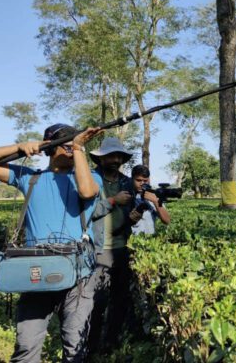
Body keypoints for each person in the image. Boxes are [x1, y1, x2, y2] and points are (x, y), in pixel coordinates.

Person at [0, 123, 102, 363]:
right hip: (36, 273)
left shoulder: (91, 177)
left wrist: (79, 149)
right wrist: (20, 147)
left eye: (75, 146)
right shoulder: (30, 178)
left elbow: (86, 192)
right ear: (50, 148)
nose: (72, 150)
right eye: (66, 146)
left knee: (75, 347)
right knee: (26, 346)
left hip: (79, 275)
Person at [87, 137, 135, 354]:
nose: (115, 160)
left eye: (118, 156)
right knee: (97, 300)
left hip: (121, 247)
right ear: (101, 158)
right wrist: (113, 201)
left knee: (119, 298)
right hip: (98, 248)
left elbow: (127, 215)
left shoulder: (127, 182)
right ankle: (90, 344)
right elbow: (87, 213)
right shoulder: (90, 180)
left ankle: (110, 344)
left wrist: (132, 218)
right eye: (110, 156)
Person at [129, 164, 171, 234]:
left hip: (150, 241)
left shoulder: (153, 195)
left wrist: (156, 201)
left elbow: (167, 221)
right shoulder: (126, 195)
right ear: (132, 179)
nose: (142, 183)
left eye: (145, 181)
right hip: (130, 241)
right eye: (138, 180)